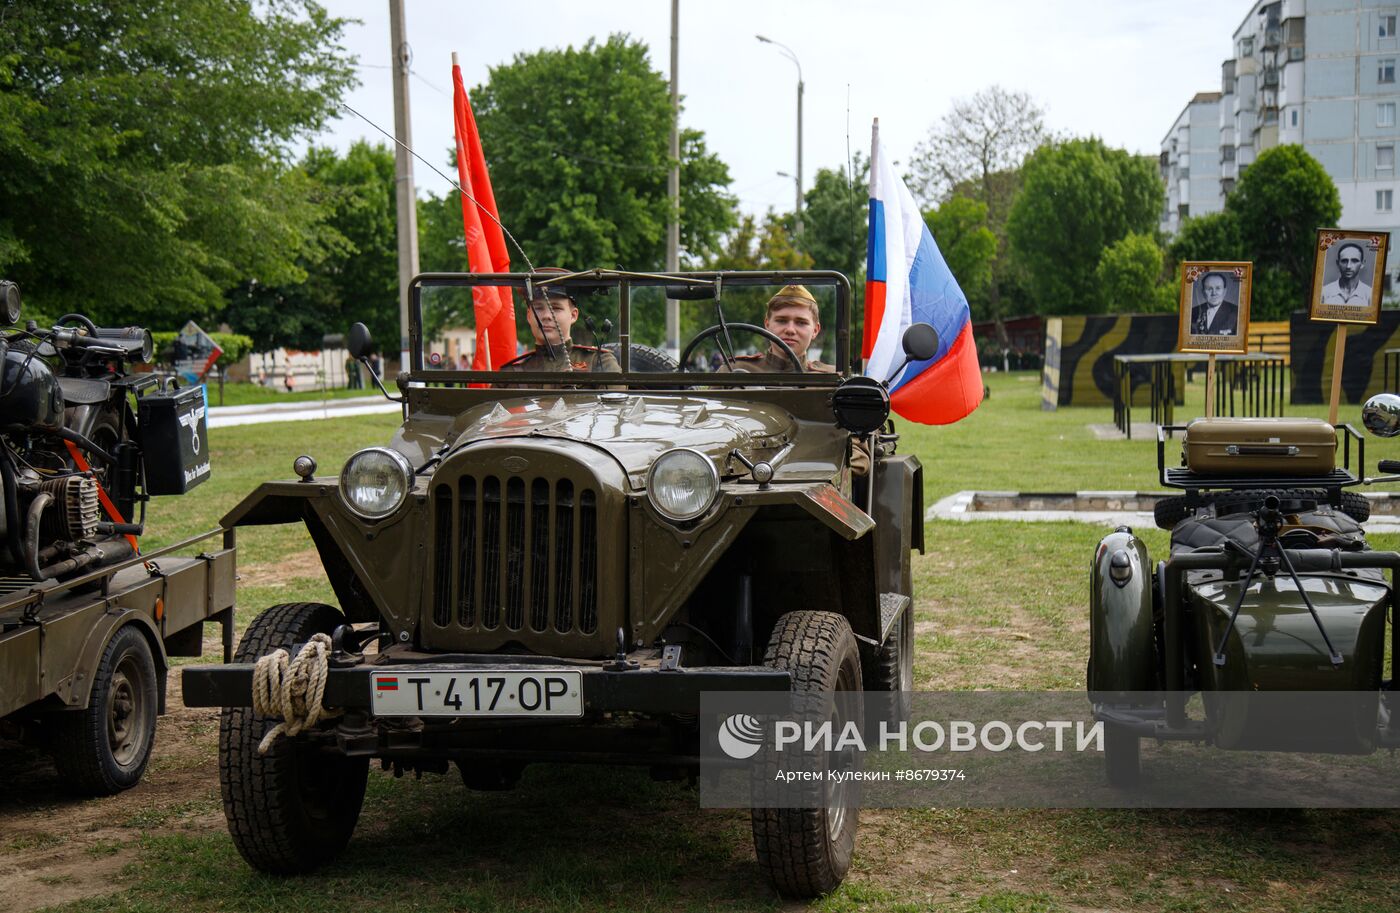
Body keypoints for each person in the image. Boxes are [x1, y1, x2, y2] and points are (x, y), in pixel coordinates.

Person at [497, 275, 620, 380]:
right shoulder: (511, 373)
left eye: (556, 308)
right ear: (529, 315)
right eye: (539, 308)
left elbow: (617, 405)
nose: (547, 316)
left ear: (573, 315)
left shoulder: (599, 363)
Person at [719, 285, 835, 373]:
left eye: (801, 323)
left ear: (815, 330)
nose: (790, 330)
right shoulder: (734, 371)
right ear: (767, 324)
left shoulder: (831, 378)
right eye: (781, 321)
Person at [1320, 241, 1373, 306]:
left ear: (1362, 263)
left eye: (1354, 261)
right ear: (1337, 263)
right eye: (1344, 261)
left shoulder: (1370, 294)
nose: (1348, 266)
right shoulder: (1324, 292)